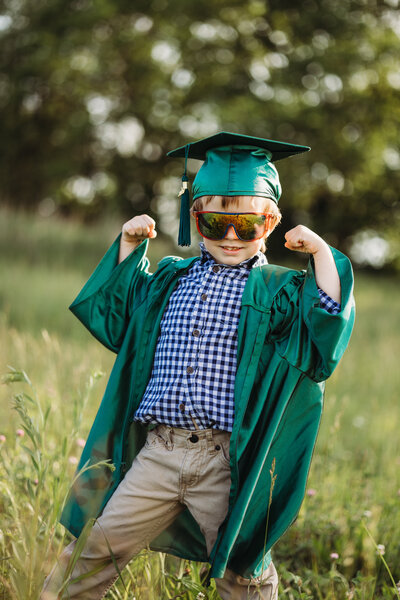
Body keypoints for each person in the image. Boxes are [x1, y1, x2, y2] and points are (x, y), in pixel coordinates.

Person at [41, 132, 355, 600]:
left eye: (246, 226)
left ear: (270, 223)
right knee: (92, 553)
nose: (231, 236)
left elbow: (324, 332)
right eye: (215, 222)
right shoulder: (170, 278)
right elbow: (116, 317)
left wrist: (321, 254)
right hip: (158, 455)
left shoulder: (281, 292)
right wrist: (129, 244)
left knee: (241, 573)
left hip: (226, 462)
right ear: (195, 217)